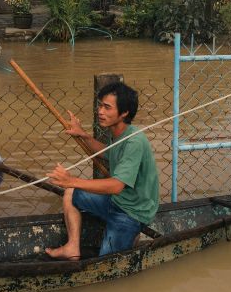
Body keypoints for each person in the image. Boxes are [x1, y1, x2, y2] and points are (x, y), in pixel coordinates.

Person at [45, 82, 159, 259]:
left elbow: (116, 186)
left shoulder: (134, 141)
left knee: (106, 264)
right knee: (71, 193)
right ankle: (72, 247)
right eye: (100, 105)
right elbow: (107, 152)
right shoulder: (120, 133)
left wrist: (71, 180)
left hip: (131, 213)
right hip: (116, 202)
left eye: (107, 107)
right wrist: (83, 135)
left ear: (124, 112)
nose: (100, 111)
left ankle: (132, 233)